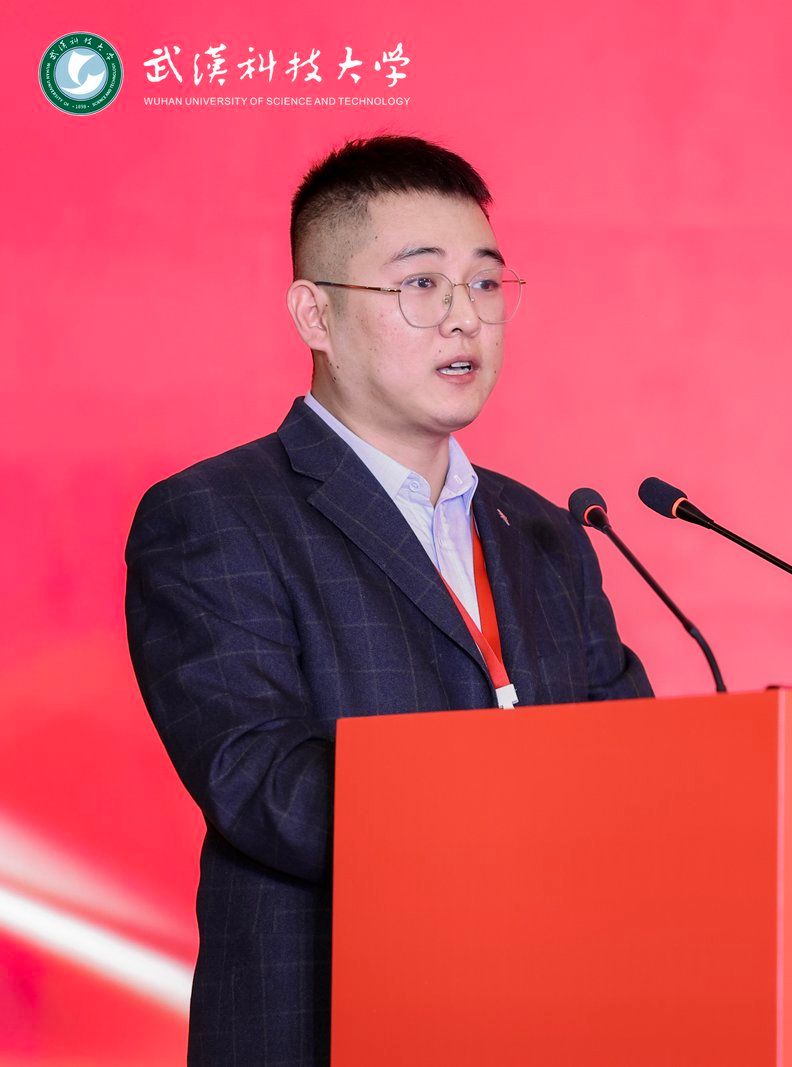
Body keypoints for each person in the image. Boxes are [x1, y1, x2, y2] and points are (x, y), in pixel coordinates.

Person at [124, 134, 652, 1066]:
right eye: (421, 284)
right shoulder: (216, 516)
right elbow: (264, 782)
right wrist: (512, 829)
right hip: (330, 1028)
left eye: (484, 283)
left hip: (547, 1020)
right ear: (315, 313)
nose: (465, 318)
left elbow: (633, 760)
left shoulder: (547, 534)